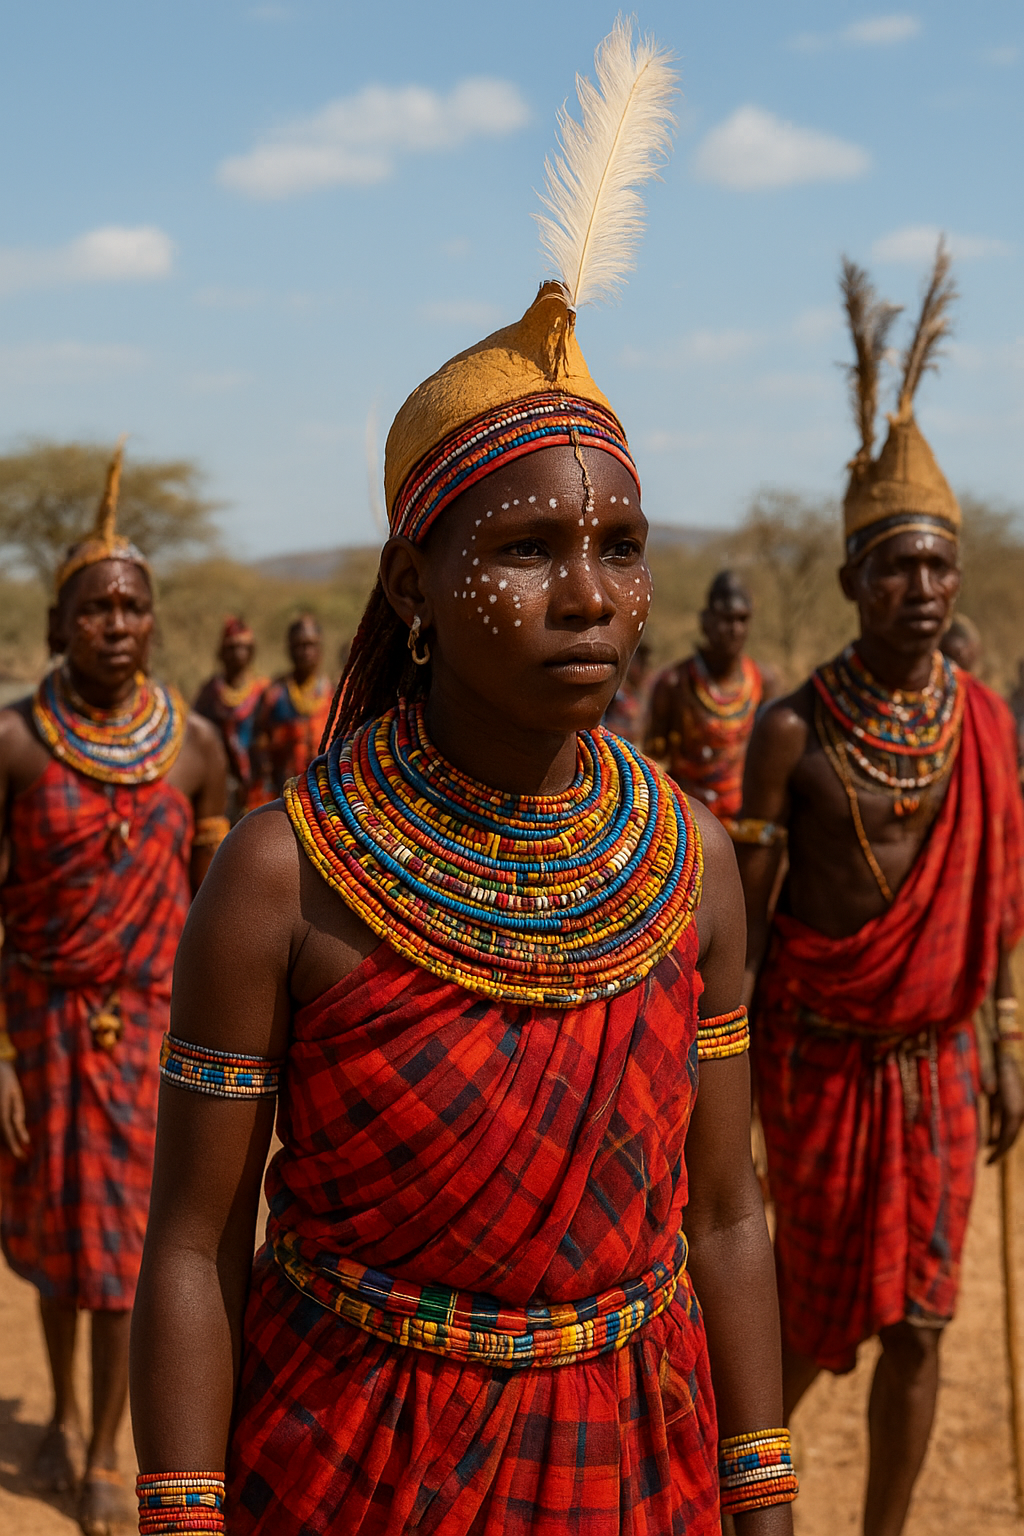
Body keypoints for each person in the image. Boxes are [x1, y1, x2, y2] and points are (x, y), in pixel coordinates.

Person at [130, 23, 795, 1536]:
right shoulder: (282, 874)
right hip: (351, 1462)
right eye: (523, 549)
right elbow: (188, 1247)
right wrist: (180, 1514)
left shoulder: (689, 863)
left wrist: (765, 1506)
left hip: (634, 1462)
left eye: (618, 548)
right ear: (414, 588)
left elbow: (733, 1214)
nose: (589, 593)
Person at [736, 246, 1024, 1536]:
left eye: (938, 566)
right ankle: (728, 1493)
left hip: (937, 1060)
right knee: (801, 1315)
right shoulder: (791, 731)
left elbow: (1001, 899)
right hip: (814, 1061)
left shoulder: (984, 722)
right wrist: (716, 1085)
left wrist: (1005, 1040)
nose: (921, 588)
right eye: (895, 567)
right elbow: (741, 930)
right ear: (851, 580)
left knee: (922, 1324)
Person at [0, 445, 227, 1535]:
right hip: (39, 1025)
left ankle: (101, 1448)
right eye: (94, 608)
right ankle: (54, 1416)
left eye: (134, 605)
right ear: (58, 626)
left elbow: (216, 923)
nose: (118, 624)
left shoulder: (196, 753)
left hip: (148, 1031)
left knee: (135, 1252)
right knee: (54, 1244)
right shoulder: (12, 745)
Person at [646, 572, 777, 825]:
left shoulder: (764, 682)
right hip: (688, 820)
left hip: (743, 819)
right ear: (705, 621)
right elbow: (653, 761)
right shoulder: (675, 684)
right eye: (725, 619)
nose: (734, 629)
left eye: (742, 619)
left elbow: (768, 764)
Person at [194, 618, 269, 822]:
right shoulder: (209, 694)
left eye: (244, 647)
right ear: (222, 652)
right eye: (232, 647)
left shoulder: (264, 691)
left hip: (259, 787)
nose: (238, 653)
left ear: (252, 652)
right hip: (221, 787)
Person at [251, 614, 332, 798]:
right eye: (299, 645)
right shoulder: (274, 694)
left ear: (320, 649)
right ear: (289, 649)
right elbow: (258, 743)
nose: (305, 651)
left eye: (310, 644)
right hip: (283, 794)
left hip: (327, 793)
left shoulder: (335, 695)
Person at [602, 637, 651, 742]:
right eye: (639, 662)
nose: (643, 667)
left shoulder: (643, 692)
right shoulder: (615, 693)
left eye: (644, 662)